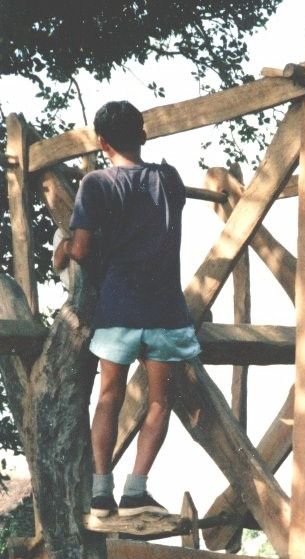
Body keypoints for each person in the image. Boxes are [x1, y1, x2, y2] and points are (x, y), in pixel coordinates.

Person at [54, 101, 201, 518]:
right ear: (144, 133)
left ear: (101, 143)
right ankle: (136, 490)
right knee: (159, 402)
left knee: (107, 398)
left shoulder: (96, 183)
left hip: (118, 306)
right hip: (165, 311)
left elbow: (80, 249)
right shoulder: (168, 178)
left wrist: (63, 247)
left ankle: (102, 493)